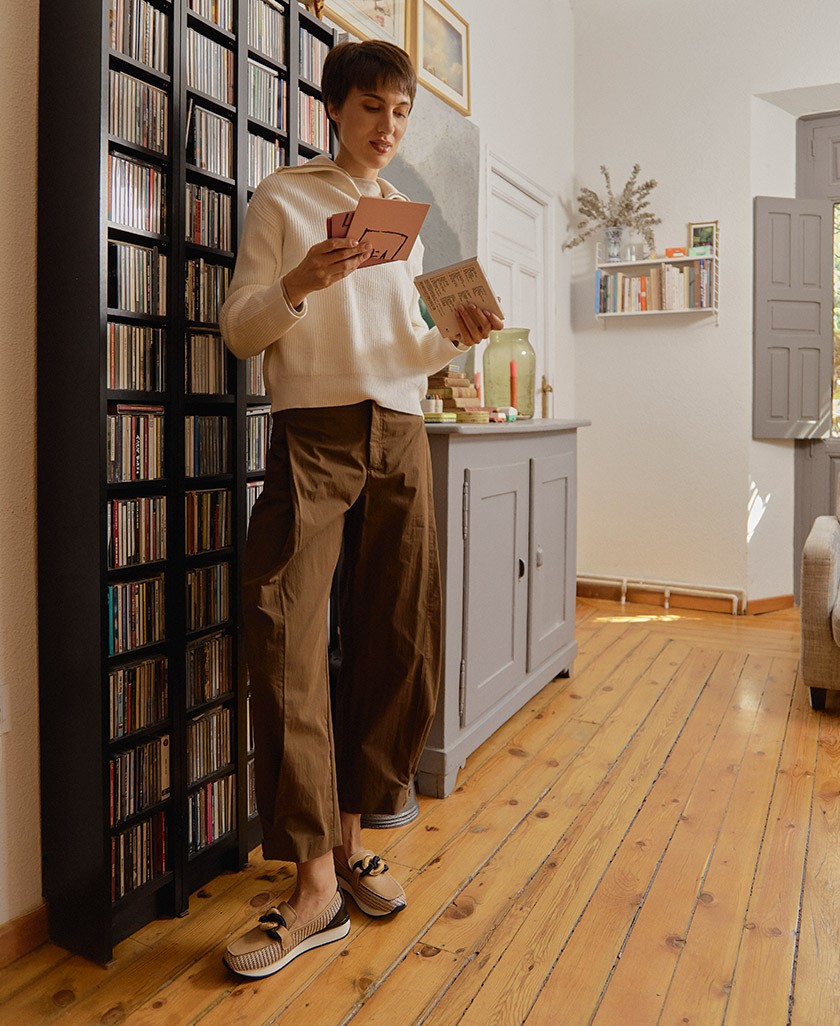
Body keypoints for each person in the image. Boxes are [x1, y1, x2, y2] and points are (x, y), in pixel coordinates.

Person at [219, 38, 503, 979]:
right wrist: (304, 279)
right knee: (286, 633)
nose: (389, 126)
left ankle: (345, 846)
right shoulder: (283, 198)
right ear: (332, 108)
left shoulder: (408, 229)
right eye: (373, 107)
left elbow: (407, 350)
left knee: (397, 633)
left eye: (402, 112)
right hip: (316, 433)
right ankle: (308, 885)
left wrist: (451, 340)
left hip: (402, 430)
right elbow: (239, 329)